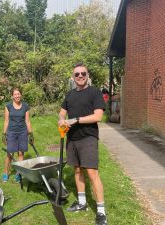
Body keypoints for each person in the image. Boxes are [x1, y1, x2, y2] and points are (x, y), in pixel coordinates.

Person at [58, 63, 107, 225]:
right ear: (73, 77)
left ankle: (101, 211)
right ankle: (82, 203)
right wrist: (61, 121)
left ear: (87, 75)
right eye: (77, 74)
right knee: (77, 171)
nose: (80, 76)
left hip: (88, 137)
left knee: (92, 173)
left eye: (83, 73)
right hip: (72, 138)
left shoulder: (95, 92)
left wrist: (76, 120)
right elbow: (62, 112)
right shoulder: (69, 95)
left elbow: (98, 116)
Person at [2, 87, 33, 182]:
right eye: (15, 94)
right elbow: (6, 121)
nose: (17, 96)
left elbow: (27, 121)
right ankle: (5, 173)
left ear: (21, 95)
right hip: (11, 132)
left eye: (18, 94)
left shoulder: (25, 106)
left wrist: (31, 133)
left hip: (23, 132)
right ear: (12, 96)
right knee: (10, 153)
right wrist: (4, 133)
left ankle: (18, 174)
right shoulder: (8, 106)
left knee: (21, 153)